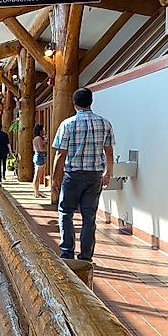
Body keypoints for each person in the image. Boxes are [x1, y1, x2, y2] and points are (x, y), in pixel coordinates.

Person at [51, 88, 115, 262]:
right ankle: (86, 256)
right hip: (95, 176)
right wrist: (108, 173)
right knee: (89, 216)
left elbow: (60, 154)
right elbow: (109, 152)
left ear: (74, 104)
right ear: (91, 102)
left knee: (66, 213)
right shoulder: (105, 123)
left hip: (73, 175)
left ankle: (67, 253)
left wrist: (56, 179)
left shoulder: (67, 124)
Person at [32, 124, 47, 198]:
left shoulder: (35, 138)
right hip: (40, 156)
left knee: (37, 175)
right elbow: (41, 149)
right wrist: (46, 150)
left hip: (36, 155)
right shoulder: (39, 138)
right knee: (37, 176)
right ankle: (36, 192)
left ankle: (36, 191)